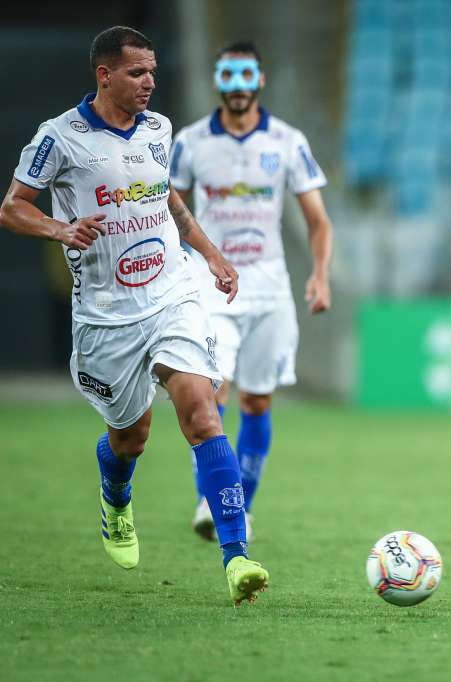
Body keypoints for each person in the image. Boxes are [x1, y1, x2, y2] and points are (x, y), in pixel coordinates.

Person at [0, 26, 269, 605]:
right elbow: (12, 208)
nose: (149, 82)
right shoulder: (59, 138)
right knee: (131, 438)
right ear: (105, 75)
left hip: (171, 293)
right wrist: (60, 229)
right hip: (106, 315)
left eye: (153, 72)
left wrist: (210, 253)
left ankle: (237, 558)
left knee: (203, 414)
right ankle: (116, 498)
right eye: (137, 73)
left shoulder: (157, 129)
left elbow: (167, 198)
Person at [169, 41, 333, 541]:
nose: (237, 86)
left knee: (258, 403)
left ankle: (241, 506)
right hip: (211, 286)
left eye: (246, 76)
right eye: (228, 76)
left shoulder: (287, 142)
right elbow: (163, 205)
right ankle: (212, 502)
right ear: (217, 80)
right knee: (211, 390)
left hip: (270, 289)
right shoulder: (191, 143)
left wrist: (320, 273)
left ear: (260, 80)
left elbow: (318, 221)